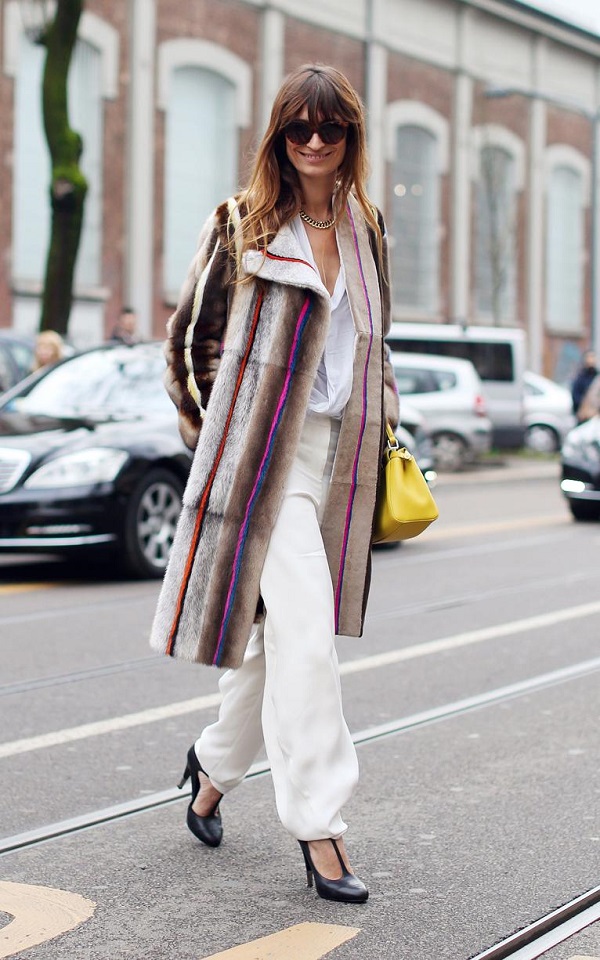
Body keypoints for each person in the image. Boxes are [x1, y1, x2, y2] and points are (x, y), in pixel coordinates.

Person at [150, 63, 399, 904]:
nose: (316, 143)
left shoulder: (368, 231)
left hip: (340, 460)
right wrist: (222, 430)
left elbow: (374, 347)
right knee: (309, 635)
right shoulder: (243, 226)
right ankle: (322, 826)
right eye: (299, 128)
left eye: (332, 129)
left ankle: (213, 769)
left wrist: (387, 418)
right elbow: (189, 342)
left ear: (352, 139)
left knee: (272, 645)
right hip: (268, 457)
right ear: (278, 136)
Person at [571, 349, 597, 421]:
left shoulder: (597, 376)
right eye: (589, 357)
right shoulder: (580, 377)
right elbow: (575, 395)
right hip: (583, 414)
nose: (591, 360)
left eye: (592, 357)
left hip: (596, 413)